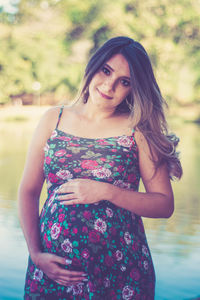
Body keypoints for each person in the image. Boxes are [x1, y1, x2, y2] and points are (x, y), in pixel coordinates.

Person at [18, 36, 182, 300]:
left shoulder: (139, 129)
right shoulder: (54, 118)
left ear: (133, 88)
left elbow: (164, 205)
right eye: (106, 71)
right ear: (93, 66)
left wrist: (107, 191)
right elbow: (28, 191)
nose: (109, 85)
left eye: (124, 82)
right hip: (53, 271)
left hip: (120, 273)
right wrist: (36, 254)